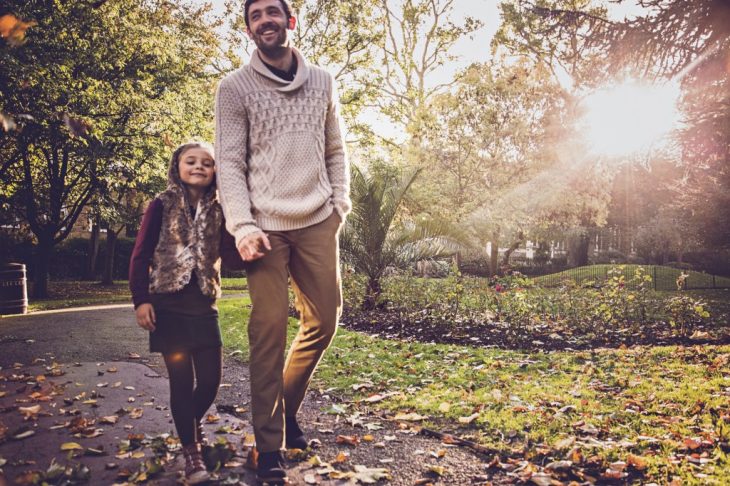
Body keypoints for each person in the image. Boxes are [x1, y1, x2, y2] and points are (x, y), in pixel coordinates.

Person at [214, 0, 351, 483]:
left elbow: (335, 148)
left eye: (273, 12)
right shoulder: (233, 88)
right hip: (263, 227)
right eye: (255, 16)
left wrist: (340, 206)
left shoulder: (324, 81)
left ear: (290, 21)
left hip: (317, 218)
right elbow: (228, 163)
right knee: (268, 327)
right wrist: (242, 225)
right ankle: (268, 445)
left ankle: (285, 410)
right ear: (249, 28)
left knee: (325, 319)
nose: (265, 21)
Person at [129, 141, 243, 485]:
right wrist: (141, 300)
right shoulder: (161, 204)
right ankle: (192, 454)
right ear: (176, 166)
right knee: (181, 381)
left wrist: (253, 242)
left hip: (204, 303)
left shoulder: (221, 210)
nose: (199, 167)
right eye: (191, 161)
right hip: (168, 304)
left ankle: (186, 432)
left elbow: (230, 255)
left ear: (215, 172)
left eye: (207, 163)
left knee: (210, 381)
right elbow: (140, 253)